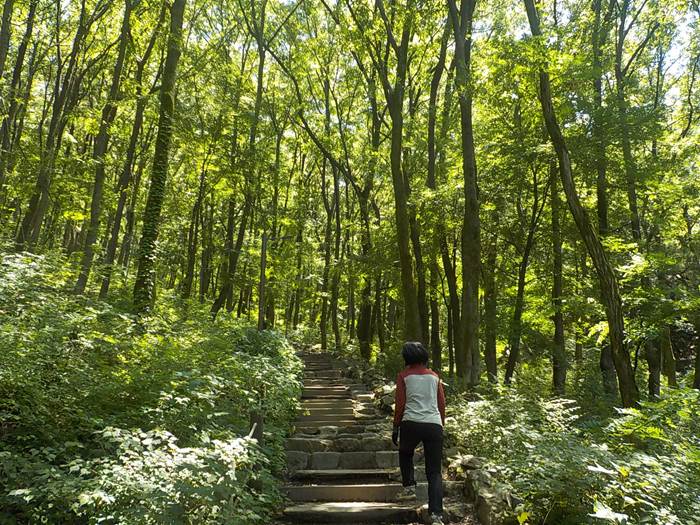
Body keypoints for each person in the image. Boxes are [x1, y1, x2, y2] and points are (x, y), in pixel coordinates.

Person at [392, 341, 446, 525]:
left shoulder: (403, 376)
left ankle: (409, 486)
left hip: (411, 423)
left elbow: (400, 404)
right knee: (434, 472)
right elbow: (441, 404)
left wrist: (395, 426)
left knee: (405, 452)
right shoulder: (434, 376)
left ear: (406, 358)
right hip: (434, 424)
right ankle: (436, 515)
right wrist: (441, 425)